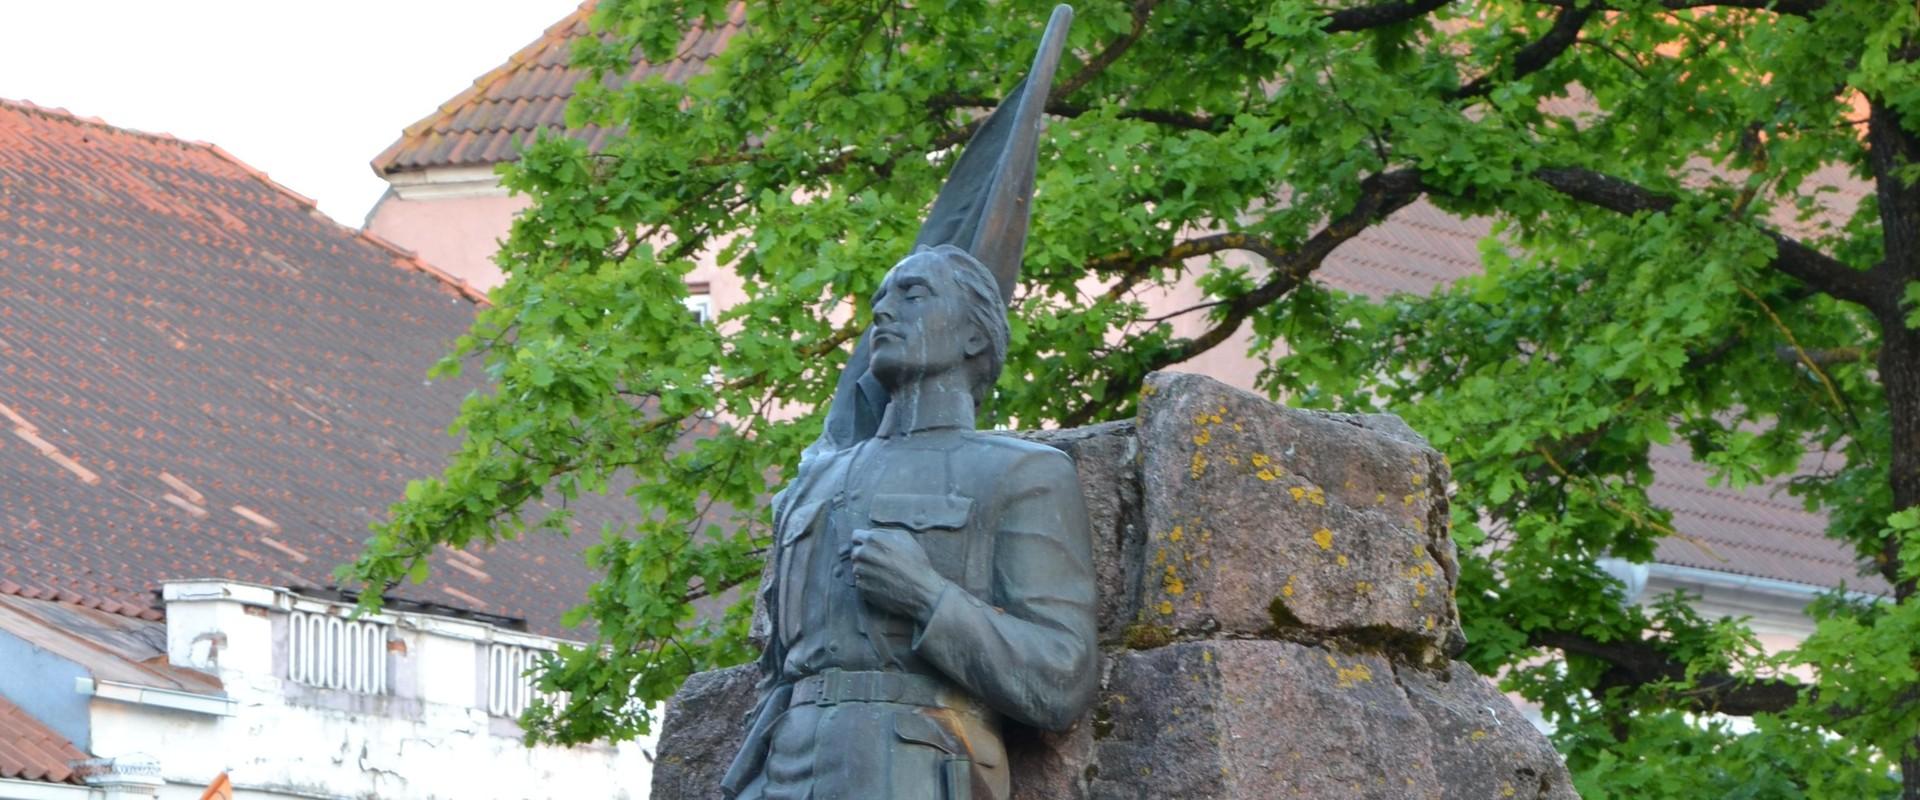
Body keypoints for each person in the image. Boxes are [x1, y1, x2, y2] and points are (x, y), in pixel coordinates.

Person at [722, 244, 1097, 800]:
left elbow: (1061, 678)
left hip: (920, 767)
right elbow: (778, 669)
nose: (883, 311)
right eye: (878, 299)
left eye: (912, 294)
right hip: (786, 769)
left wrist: (926, 597)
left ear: (974, 336)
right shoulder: (812, 485)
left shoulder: (1021, 472)